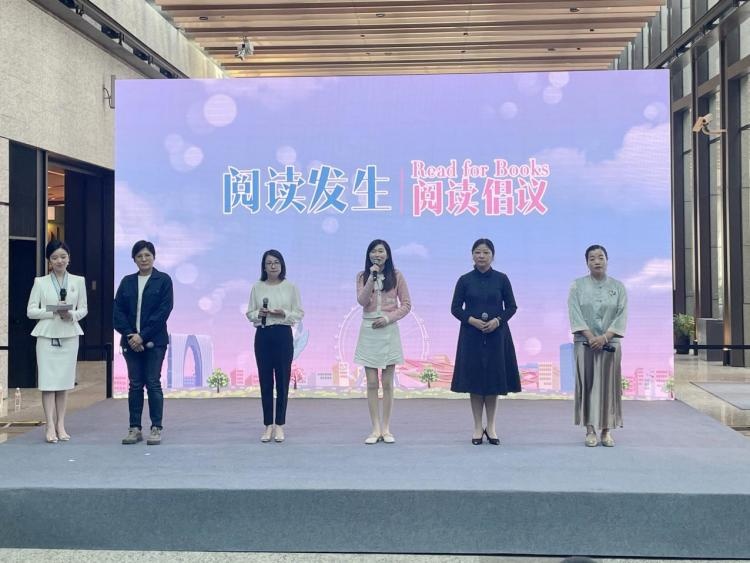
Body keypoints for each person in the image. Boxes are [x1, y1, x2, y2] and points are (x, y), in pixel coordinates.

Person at [450, 238, 520, 445]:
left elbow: (512, 307)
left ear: (493, 256)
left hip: (497, 336)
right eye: (478, 252)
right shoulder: (464, 280)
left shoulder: (502, 279)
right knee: (475, 382)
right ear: (472, 255)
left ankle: (491, 426)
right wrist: (471, 320)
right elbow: (455, 308)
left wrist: (498, 321)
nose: (481, 256)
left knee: (493, 382)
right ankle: (476, 426)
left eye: (486, 252)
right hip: (471, 336)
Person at [27, 240, 88, 443]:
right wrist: (52, 311)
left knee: (63, 382)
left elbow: (83, 309)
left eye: (63, 256)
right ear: (49, 261)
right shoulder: (40, 282)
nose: (59, 261)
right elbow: (31, 311)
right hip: (46, 335)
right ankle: (49, 425)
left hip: (69, 335)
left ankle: (61, 424)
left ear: (69, 258)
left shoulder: (78, 281)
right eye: (54, 258)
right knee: (48, 383)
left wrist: (71, 315)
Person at [114, 240, 173, 446]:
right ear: (134, 259)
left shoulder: (163, 280)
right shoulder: (127, 282)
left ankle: (156, 427)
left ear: (154, 257)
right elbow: (117, 311)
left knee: (153, 382)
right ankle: (134, 428)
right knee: (135, 384)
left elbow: (163, 311)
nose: (144, 259)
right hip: (131, 342)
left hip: (154, 342)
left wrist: (143, 336)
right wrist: (131, 335)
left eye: (147, 255)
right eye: (139, 256)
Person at [568, 244, 627, 447]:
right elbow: (574, 312)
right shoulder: (577, 286)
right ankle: (590, 429)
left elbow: (622, 314)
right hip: (585, 343)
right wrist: (591, 336)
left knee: (609, 386)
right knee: (588, 385)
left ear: (607, 260)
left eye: (601, 257)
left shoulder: (618, 287)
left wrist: (605, 337)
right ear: (587, 263)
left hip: (611, 344)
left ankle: (606, 430)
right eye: (592, 258)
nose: (597, 261)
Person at [354, 239, 411, 445]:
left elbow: (406, 305)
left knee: (387, 383)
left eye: (381, 251)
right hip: (369, 330)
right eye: (373, 251)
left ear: (387, 255)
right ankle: (375, 428)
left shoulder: (397, 276)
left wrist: (388, 318)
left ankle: (386, 428)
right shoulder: (362, 276)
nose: (377, 255)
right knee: (371, 382)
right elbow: (362, 301)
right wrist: (372, 277)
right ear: (368, 255)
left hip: (388, 329)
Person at [246, 249, 304, 443]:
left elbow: (299, 313)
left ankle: (279, 424)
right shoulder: (257, 287)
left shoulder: (290, 287)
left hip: (283, 334)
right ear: (264, 266)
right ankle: (267, 425)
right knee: (265, 382)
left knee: (282, 380)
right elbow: (250, 313)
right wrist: (259, 314)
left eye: (276, 262)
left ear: (282, 265)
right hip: (263, 334)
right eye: (269, 263)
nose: (273, 266)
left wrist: (283, 313)